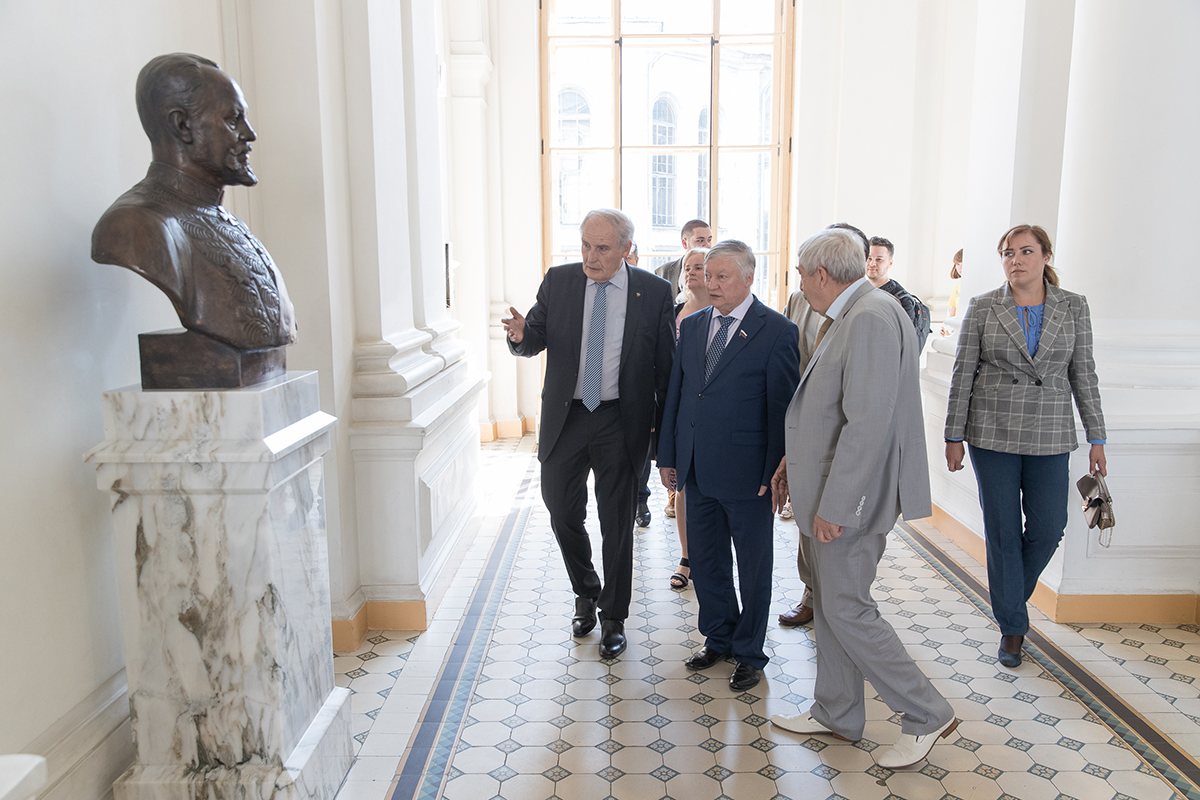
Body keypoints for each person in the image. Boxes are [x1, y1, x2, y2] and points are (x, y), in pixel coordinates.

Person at [769, 228, 956, 769]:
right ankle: (837, 710)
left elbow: (867, 424)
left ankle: (926, 712)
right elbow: (826, 409)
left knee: (848, 608)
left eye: (802, 274)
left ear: (823, 275)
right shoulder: (854, 312)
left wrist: (837, 506)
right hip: (829, 488)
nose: (800, 284)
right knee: (829, 602)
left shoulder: (870, 317)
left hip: (848, 498)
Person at [503, 209, 676, 659]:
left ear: (626, 250)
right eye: (585, 245)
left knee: (617, 521)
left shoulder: (653, 292)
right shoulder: (559, 281)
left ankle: (614, 616)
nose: (590, 256)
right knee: (561, 508)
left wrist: (665, 437)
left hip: (622, 419)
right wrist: (521, 336)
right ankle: (586, 590)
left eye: (602, 248)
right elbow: (534, 336)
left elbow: (665, 366)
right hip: (568, 416)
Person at [944, 224, 1107, 669]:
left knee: (1049, 526)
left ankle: (1010, 595)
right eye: (1008, 253)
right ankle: (1013, 626)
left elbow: (1084, 374)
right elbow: (963, 375)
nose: (1016, 260)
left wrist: (1097, 437)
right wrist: (952, 435)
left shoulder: (1073, 307)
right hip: (991, 431)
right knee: (1001, 530)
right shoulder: (982, 307)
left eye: (1026, 251)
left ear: (1046, 257)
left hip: (1051, 432)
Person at [658, 240, 800, 692]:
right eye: (707, 275)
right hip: (697, 466)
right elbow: (678, 395)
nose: (711, 284)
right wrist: (669, 457)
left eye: (722, 276)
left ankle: (750, 652)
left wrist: (772, 474)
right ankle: (718, 637)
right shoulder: (695, 325)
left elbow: (782, 409)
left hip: (748, 473)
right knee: (706, 559)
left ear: (747, 278)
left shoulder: (776, 330)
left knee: (753, 566)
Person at [92, 53, 297, 352]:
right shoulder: (137, 223)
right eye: (232, 119)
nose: (249, 134)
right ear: (182, 125)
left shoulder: (228, 223)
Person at [775, 248, 828, 628]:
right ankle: (811, 594)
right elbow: (786, 359)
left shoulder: (873, 309)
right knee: (807, 517)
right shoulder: (798, 300)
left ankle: (840, 599)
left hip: (841, 427)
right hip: (802, 422)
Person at [664, 247, 711, 590]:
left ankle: (712, 555)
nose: (692, 272)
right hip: (681, 408)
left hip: (714, 413)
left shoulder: (722, 311)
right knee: (683, 486)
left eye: (700, 267)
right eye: (688, 267)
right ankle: (686, 555)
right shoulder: (674, 314)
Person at [867, 236, 932, 350]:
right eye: (869, 258)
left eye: (879, 259)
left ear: (890, 263)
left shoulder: (902, 300)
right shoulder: (860, 293)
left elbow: (904, 343)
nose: (872, 263)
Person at [655, 219, 714, 293]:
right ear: (684, 243)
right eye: (700, 241)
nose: (707, 245)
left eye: (709, 240)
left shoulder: (716, 270)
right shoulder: (663, 272)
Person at [947, 248, 964, 317]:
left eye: (963, 263)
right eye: (957, 264)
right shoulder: (957, 287)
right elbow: (953, 313)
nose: (960, 268)